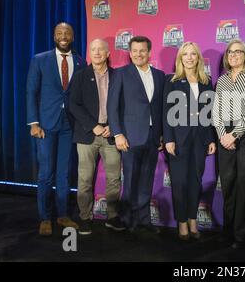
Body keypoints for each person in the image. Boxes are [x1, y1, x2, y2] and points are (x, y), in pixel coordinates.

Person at [26, 22, 85, 236]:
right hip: (45, 125)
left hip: (69, 125)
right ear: (54, 36)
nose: (63, 36)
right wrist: (33, 123)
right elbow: (31, 92)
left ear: (72, 36)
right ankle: (44, 218)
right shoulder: (40, 59)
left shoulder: (80, 62)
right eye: (59, 33)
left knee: (63, 173)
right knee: (45, 173)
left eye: (67, 33)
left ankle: (62, 215)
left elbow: (80, 96)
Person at [107, 36, 165, 232]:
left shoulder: (159, 75)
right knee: (130, 179)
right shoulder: (121, 74)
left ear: (149, 52)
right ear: (130, 53)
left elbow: (160, 108)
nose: (139, 54)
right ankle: (126, 220)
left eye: (142, 50)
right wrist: (118, 134)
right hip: (130, 136)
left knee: (146, 179)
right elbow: (112, 106)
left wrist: (162, 134)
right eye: (135, 51)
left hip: (152, 136)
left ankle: (144, 220)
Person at [69, 38, 124, 235]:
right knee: (84, 179)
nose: (97, 52)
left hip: (111, 135)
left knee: (114, 179)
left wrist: (114, 126)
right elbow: (73, 104)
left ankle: (112, 216)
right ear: (89, 53)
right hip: (87, 135)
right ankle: (84, 217)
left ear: (108, 53)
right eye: (93, 49)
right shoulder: (80, 76)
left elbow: (124, 105)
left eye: (101, 49)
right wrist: (93, 126)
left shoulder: (118, 76)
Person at [212, 39, 245, 249]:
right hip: (224, 134)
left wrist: (234, 135)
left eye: (238, 52)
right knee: (229, 183)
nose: (234, 55)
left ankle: (243, 235)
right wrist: (223, 134)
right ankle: (229, 230)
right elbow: (216, 111)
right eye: (230, 52)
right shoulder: (222, 80)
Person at [163, 42, 216, 240]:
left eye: (193, 54)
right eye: (185, 54)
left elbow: (209, 113)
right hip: (178, 140)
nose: (189, 57)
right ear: (180, 58)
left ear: (198, 58)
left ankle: (193, 219)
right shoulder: (173, 81)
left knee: (195, 180)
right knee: (179, 182)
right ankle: (182, 222)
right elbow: (166, 112)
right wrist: (168, 138)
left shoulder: (206, 81)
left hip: (200, 140)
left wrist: (211, 138)